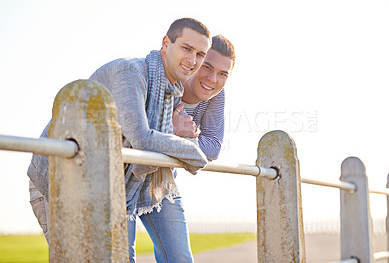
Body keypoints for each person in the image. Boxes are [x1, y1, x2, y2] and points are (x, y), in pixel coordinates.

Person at [27, 18, 211, 262]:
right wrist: (192, 152)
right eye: (186, 49)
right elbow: (142, 139)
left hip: (111, 186)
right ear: (166, 44)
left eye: (200, 54)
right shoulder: (131, 73)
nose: (193, 60)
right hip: (63, 178)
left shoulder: (169, 91)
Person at [172, 35, 235, 160]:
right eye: (207, 67)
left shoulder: (216, 94)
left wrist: (177, 137)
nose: (212, 79)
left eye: (222, 74)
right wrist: (172, 131)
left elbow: (213, 148)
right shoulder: (169, 81)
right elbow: (142, 133)